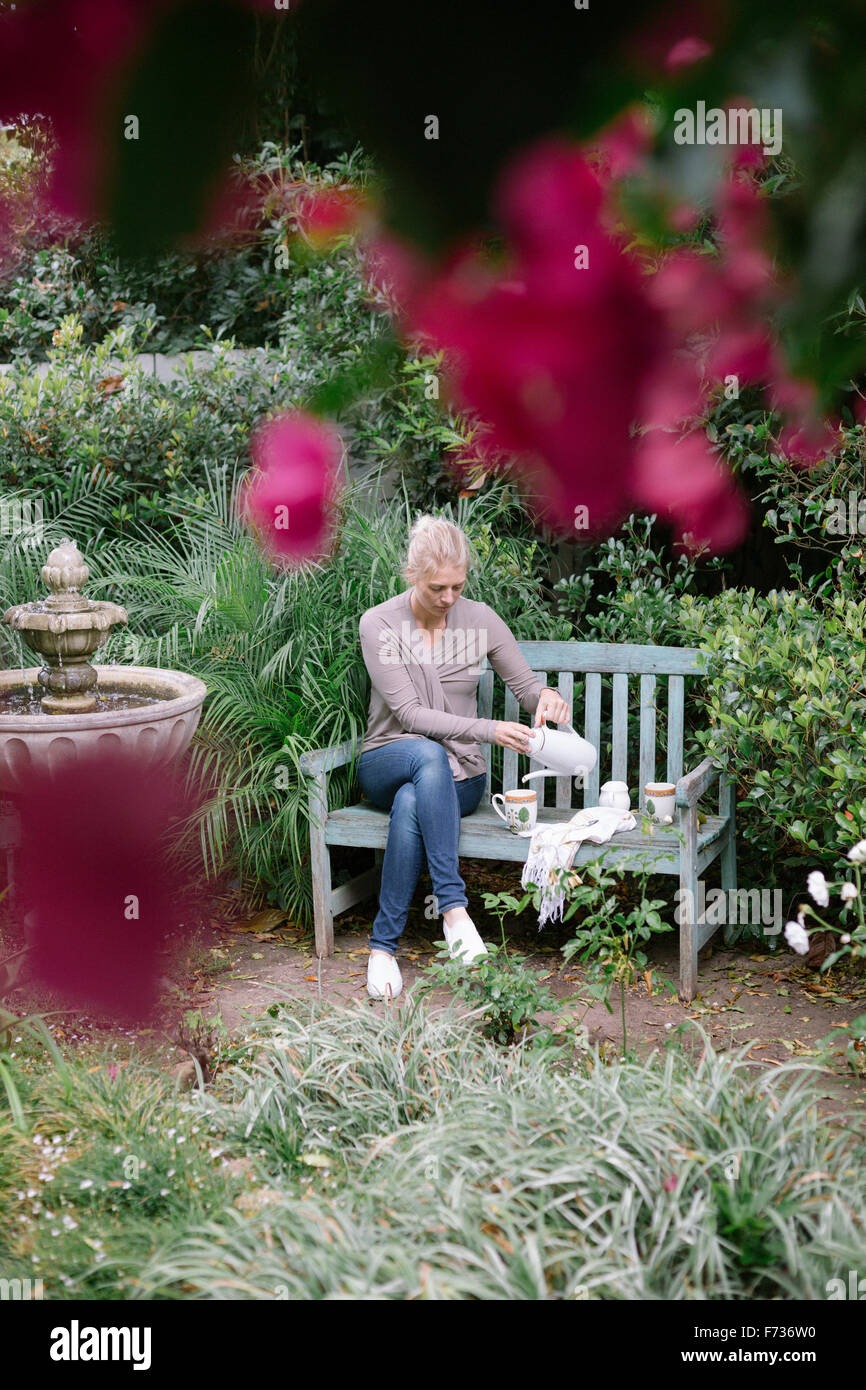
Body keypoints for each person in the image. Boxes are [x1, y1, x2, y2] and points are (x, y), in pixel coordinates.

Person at [357, 514, 571, 1000]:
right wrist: (489, 730)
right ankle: (454, 909)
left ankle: (382, 948)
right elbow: (409, 715)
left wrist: (547, 699)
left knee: (416, 799)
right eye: (437, 588)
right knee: (424, 758)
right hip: (386, 760)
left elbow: (526, 686)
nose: (449, 599)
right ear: (410, 575)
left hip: (460, 775)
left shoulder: (481, 620)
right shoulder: (380, 624)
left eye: (457, 586)